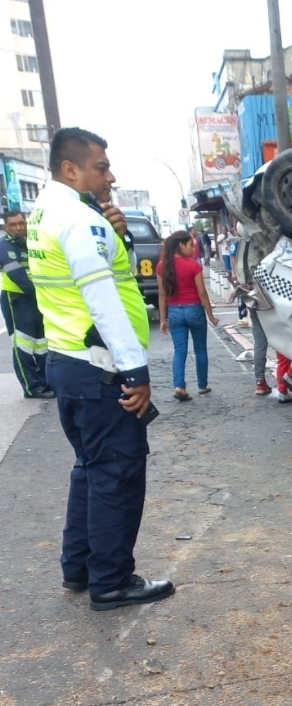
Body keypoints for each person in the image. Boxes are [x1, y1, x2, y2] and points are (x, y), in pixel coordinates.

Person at [27, 127, 173, 611]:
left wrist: (120, 235)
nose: (109, 175)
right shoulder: (76, 218)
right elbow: (103, 298)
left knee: (89, 469)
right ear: (71, 169)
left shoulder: (47, 210)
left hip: (68, 361)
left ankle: (81, 568)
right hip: (100, 366)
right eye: (101, 167)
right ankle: (112, 581)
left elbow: (112, 272)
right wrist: (136, 372)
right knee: (117, 472)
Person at [156, 231, 219, 400]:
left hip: (174, 311)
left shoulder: (162, 266)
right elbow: (202, 293)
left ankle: (179, 386)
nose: (193, 248)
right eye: (190, 245)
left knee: (179, 350)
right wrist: (211, 316)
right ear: (181, 246)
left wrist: (163, 319)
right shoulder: (193, 265)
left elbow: (162, 294)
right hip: (194, 310)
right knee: (200, 349)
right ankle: (202, 386)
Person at [1, 210, 52, 398]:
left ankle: (44, 383)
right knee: (22, 345)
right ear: (6, 227)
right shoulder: (4, 246)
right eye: (13, 225)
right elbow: (18, 276)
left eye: (21, 223)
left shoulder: (30, 244)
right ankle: (31, 388)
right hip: (17, 299)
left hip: (36, 298)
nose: (18, 228)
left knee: (41, 344)